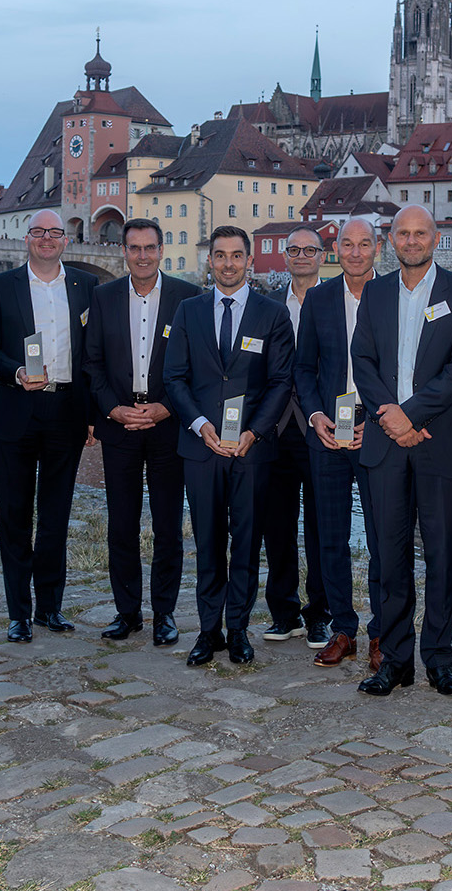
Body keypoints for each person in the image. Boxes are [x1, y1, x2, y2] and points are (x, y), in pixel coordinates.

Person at [350, 205, 452, 696]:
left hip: (439, 442)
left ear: (436, 239)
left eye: (420, 233)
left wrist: (413, 415)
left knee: (443, 555)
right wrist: (390, 414)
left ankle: (439, 659)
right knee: (389, 556)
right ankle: (395, 660)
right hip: (387, 441)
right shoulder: (377, 292)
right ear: (391, 240)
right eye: (402, 233)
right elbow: (361, 358)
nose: (411, 241)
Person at [163, 225, 293, 667]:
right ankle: (208, 630)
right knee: (208, 541)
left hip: (252, 450)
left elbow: (280, 382)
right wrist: (200, 425)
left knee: (247, 541)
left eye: (236, 256)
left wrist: (254, 432)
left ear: (249, 261)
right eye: (220, 255)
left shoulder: (272, 314)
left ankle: (237, 628)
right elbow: (174, 378)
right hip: (201, 448)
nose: (228, 264)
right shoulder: (189, 310)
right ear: (210, 261)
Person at [0, 209, 98, 643]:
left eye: (55, 233)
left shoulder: (86, 286)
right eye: (39, 232)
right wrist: (14, 372)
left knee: (55, 515)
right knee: (12, 514)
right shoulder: (2, 286)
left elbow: (93, 358)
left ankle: (49, 606)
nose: (47, 239)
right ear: (26, 239)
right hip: (15, 410)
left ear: (65, 240)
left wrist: (92, 416)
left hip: (66, 411)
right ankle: (18, 612)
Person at [82, 217, 200, 645]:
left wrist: (167, 408)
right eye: (135, 248)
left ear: (162, 250)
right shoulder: (104, 296)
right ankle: (127, 611)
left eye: (150, 248)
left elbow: (196, 368)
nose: (143, 256)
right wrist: (112, 409)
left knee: (168, 524)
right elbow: (91, 363)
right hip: (120, 427)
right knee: (122, 523)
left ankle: (164, 613)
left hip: (168, 427)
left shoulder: (188, 298)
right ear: (124, 252)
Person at [293, 216, 382, 668]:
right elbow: (303, 369)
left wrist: (385, 417)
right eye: (347, 244)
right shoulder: (319, 299)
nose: (354, 251)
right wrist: (315, 416)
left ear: (376, 249)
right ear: (336, 249)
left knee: (384, 535)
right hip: (327, 428)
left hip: (377, 427)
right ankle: (343, 627)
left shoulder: (392, 296)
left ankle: (382, 632)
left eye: (363, 244)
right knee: (330, 535)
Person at [259, 226, 330, 648]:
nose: (301, 255)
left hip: (321, 429)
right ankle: (284, 612)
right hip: (275, 430)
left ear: (322, 255)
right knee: (277, 526)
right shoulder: (268, 307)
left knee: (322, 527)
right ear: (285, 256)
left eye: (310, 249)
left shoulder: (336, 303)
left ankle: (320, 613)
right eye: (294, 249)